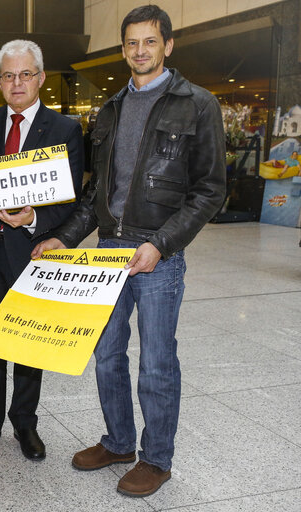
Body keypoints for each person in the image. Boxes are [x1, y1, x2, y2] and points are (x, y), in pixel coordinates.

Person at [32, 5, 226, 497]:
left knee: (157, 361)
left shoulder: (197, 104)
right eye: (132, 43)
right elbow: (99, 194)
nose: (140, 51)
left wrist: (160, 245)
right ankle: (118, 442)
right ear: (123, 49)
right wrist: (65, 238)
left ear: (168, 44)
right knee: (106, 356)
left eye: (150, 42)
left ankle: (156, 459)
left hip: (159, 257)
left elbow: (209, 190)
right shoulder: (112, 108)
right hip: (107, 254)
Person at [0, 40, 83, 461]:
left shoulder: (64, 130)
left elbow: (71, 198)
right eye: (9, 75)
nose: (17, 82)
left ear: (40, 78)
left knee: (28, 343)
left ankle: (24, 421)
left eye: (25, 74)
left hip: (33, 251)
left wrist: (34, 219)